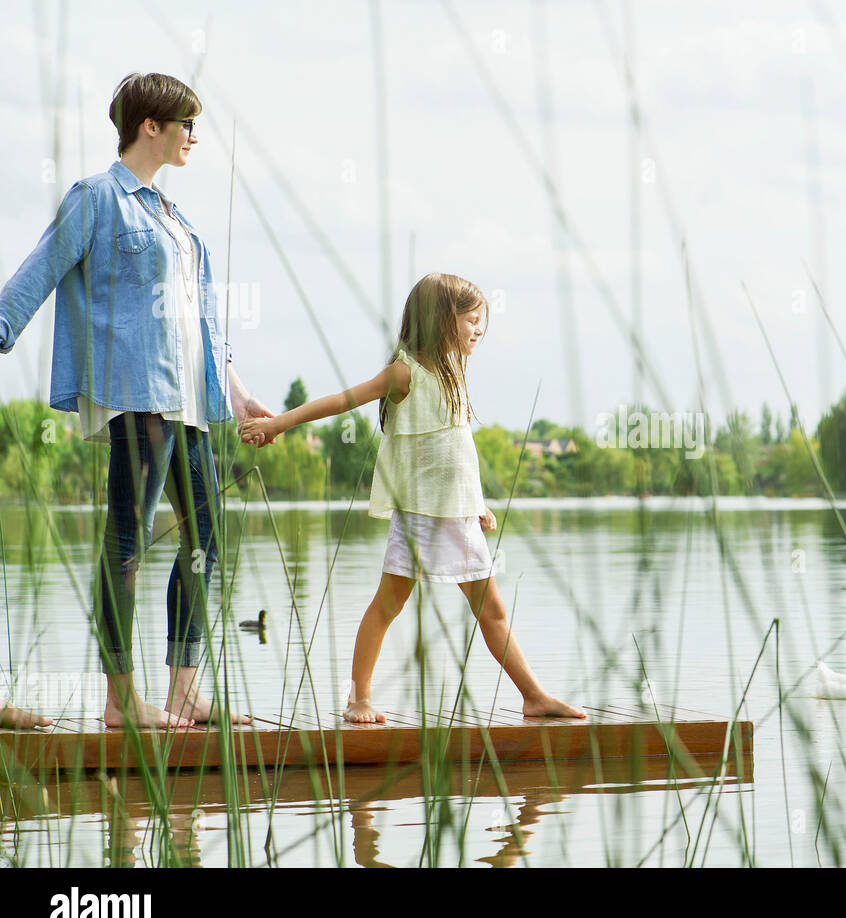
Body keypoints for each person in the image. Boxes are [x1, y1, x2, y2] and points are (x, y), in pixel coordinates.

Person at [0, 73, 276, 728]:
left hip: (190, 398)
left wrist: (235, 394)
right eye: (185, 123)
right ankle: (121, 701)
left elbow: (203, 319)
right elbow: (40, 268)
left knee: (206, 537)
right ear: (149, 126)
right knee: (126, 541)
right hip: (137, 393)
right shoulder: (97, 198)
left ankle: (183, 691)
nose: (194, 136)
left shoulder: (175, 217)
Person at [239, 273, 585, 723]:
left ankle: (534, 696)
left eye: (482, 321)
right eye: (472, 321)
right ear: (442, 320)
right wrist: (279, 424)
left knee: (492, 608)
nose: (479, 330)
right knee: (388, 604)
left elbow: (458, 445)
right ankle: (358, 698)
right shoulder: (406, 372)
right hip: (420, 514)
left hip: (457, 514)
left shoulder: (454, 370)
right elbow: (341, 401)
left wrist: (475, 501)